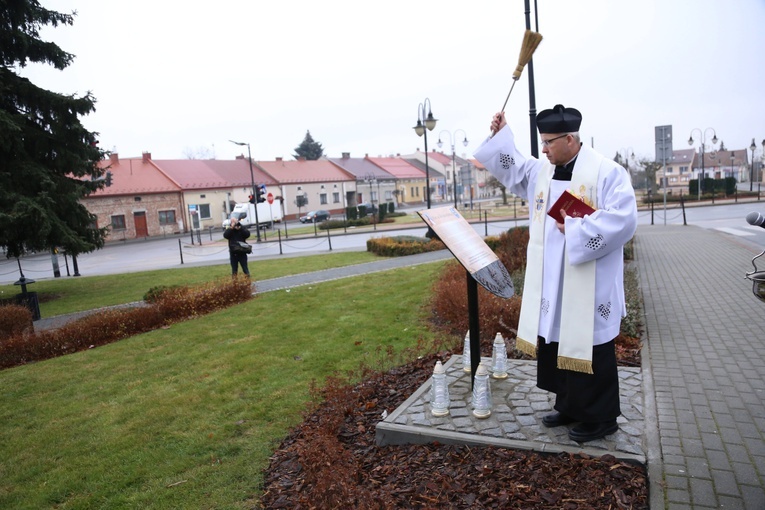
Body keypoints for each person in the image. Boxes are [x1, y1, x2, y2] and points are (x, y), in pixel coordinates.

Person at [473, 105, 637, 442]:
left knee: (590, 345)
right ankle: (570, 407)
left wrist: (576, 229)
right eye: (541, 142)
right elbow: (512, 166)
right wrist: (501, 133)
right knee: (559, 341)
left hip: (589, 281)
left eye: (548, 143)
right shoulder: (541, 172)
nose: (543, 149)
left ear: (571, 138)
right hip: (553, 281)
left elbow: (624, 220)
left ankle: (602, 418)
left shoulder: (608, 172)